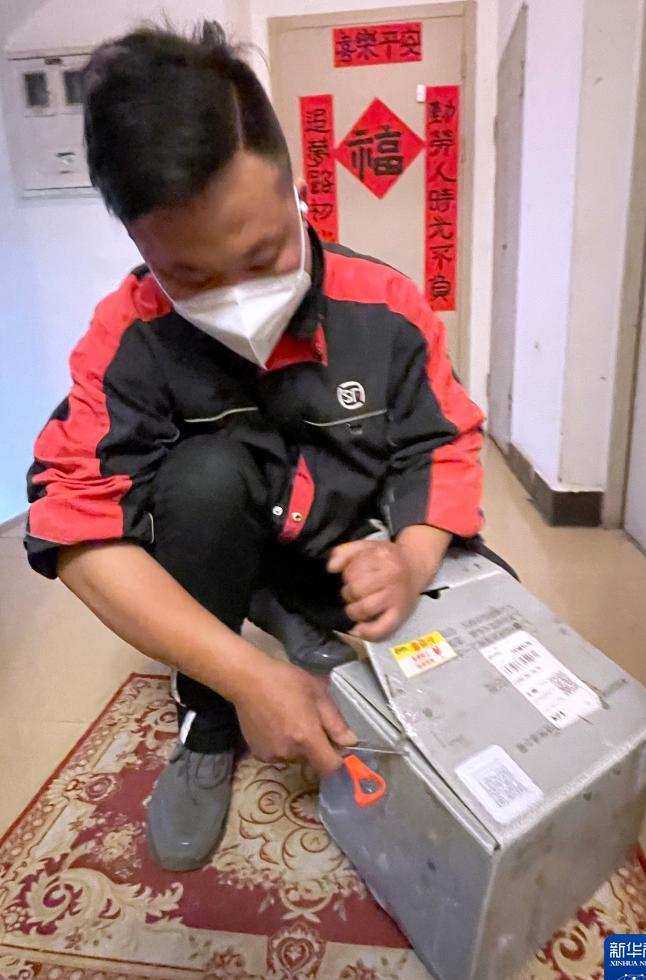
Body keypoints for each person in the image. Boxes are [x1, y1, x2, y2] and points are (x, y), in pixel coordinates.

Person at [24, 21, 488, 872]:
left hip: (349, 548)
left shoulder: (385, 306)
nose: (238, 301)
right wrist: (242, 678)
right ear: (140, 245)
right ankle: (205, 720)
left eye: (264, 255)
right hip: (221, 558)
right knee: (202, 476)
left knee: (489, 636)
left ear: (295, 189)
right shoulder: (127, 338)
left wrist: (412, 559)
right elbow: (72, 523)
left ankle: (298, 610)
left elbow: (444, 444)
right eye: (192, 277)